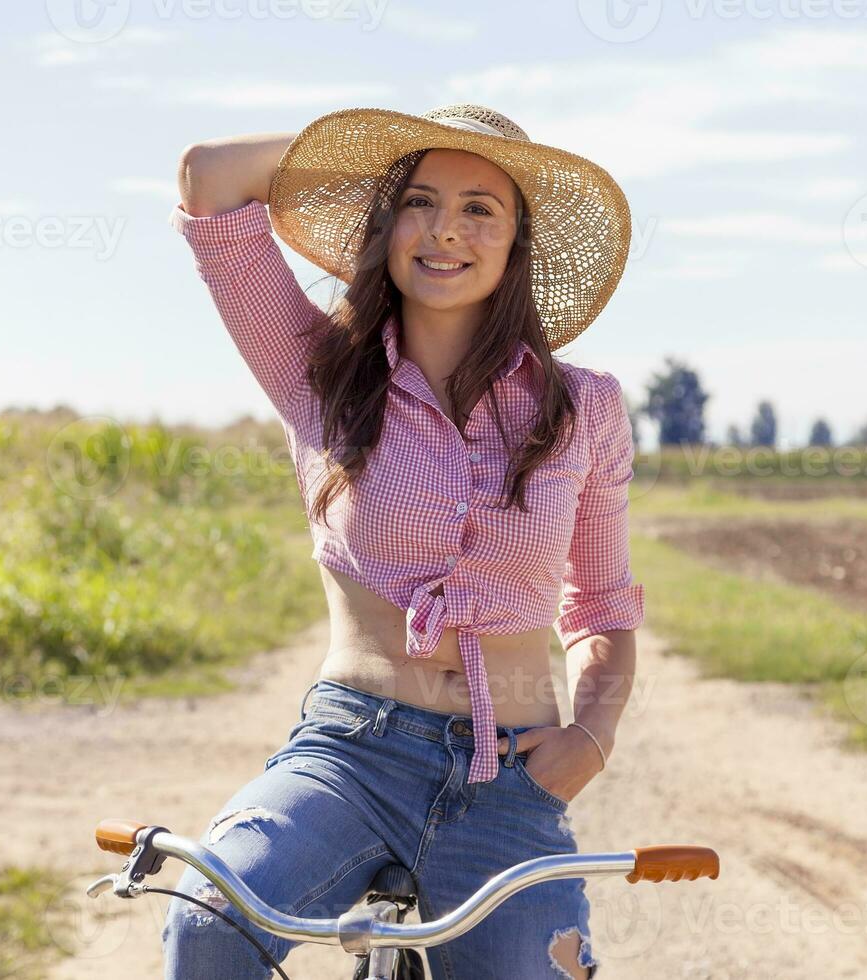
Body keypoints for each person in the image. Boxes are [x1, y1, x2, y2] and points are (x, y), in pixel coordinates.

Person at [162, 103, 642, 979]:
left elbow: (603, 603)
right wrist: (376, 141)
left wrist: (594, 736)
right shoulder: (319, 369)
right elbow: (210, 179)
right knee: (208, 920)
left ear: (517, 243)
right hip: (351, 752)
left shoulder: (586, 407)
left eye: (479, 209)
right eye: (418, 201)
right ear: (385, 225)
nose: (444, 230)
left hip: (512, 776)